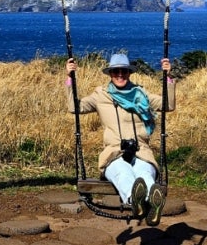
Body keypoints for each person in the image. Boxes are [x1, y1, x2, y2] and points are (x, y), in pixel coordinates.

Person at [65, 53, 176, 226]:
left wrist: (168, 77)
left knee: (144, 173)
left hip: (141, 152)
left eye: (124, 71)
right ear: (110, 74)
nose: (120, 75)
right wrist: (70, 78)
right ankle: (136, 201)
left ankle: (152, 203)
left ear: (129, 73)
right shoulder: (100, 95)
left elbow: (167, 105)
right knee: (122, 172)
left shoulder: (141, 94)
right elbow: (74, 107)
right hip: (114, 154)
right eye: (116, 71)